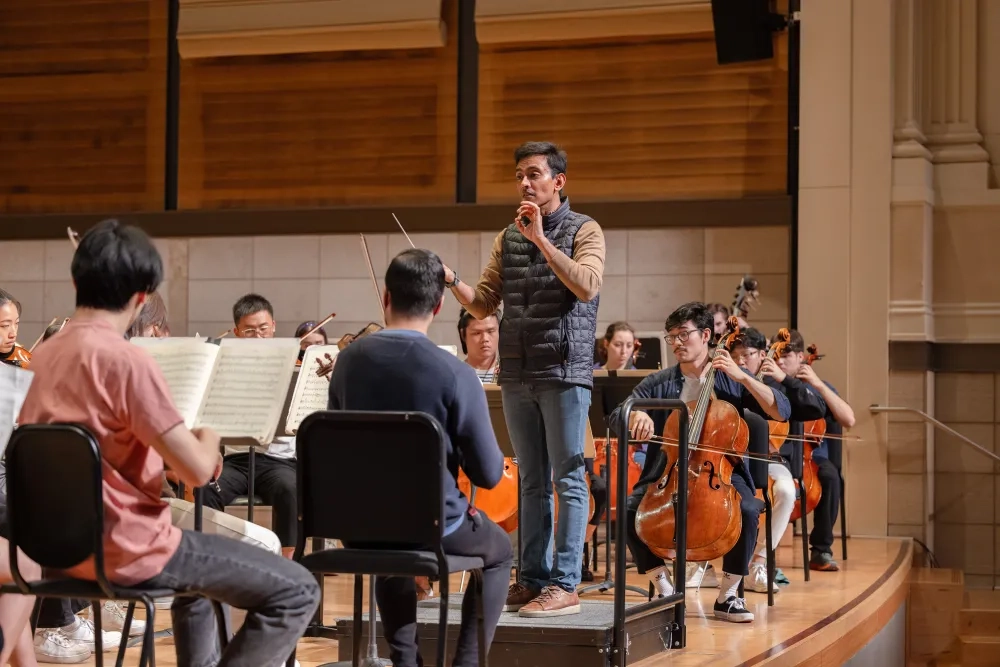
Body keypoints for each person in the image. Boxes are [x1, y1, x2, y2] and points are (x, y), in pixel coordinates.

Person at [16, 218, 319, 667]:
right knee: (299, 590)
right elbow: (199, 470)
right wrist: (210, 428)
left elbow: (88, 454)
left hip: (50, 549)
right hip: (124, 549)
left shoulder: (40, 357)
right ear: (142, 296)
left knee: (199, 588)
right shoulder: (124, 361)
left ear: (76, 280)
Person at [442, 141, 605, 616]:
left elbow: (587, 284)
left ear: (559, 181)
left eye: (534, 174)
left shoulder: (584, 229)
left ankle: (566, 583)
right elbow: (484, 302)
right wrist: (452, 279)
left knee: (570, 479)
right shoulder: (506, 236)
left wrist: (540, 240)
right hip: (518, 371)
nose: (525, 183)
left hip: (564, 370)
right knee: (532, 480)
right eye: (519, 175)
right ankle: (532, 579)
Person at [328, 248, 513, 667]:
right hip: (435, 527)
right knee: (500, 551)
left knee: (388, 536)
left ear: (386, 299)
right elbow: (486, 474)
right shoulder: (455, 373)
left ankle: (405, 661)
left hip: (359, 527)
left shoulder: (347, 364)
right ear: (439, 304)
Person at [610, 302, 790, 623]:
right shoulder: (660, 381)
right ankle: (665, 590)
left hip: (720, 471)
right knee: (628, 509)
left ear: (706, 335)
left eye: (683, 335)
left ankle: (729, 595)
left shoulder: (732, 379)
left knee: (748, 510)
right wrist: (635, 412)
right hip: (668, 472)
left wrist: (744, 378)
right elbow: (616, 415)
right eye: (672, 337)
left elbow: (781, 411)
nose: (677, 343)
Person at [730, 327, 826, 594]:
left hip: (768, 459)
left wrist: (785, 378)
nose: (740, 361)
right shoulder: (725, 380)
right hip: (727, 457)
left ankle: (758, 562)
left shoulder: (778, 384)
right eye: (735, 355)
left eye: (746, 355)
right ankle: (700, 561)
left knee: (785, 490)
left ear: (763, 355)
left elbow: (817, 407)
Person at [201, 294, 299, 557]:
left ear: (274, 326)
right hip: (237, 460)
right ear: (236, 332)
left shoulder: (291, 366)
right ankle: (215, 559)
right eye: (249, 331)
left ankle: (286, 563)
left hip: (278, 461)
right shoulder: (223, 368)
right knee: (205, 487)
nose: (258, 336)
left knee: (289, 487)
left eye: (263, 329)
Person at [773, 330, 856, 572]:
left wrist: (817, 383)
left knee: (830, 477)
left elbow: (848, 419)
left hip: (812, 456)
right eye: (776, 355)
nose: (779, 361)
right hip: (777, 453)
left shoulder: (816, 388)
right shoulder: (768, 384)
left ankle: (821, 551)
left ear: (801, 357)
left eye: (786, 355)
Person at [457, 307, 500, 383]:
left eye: (490, 331)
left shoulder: (510, 375)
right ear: (463, 334)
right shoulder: (454, 374)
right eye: (477, 333)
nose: (485, 339)